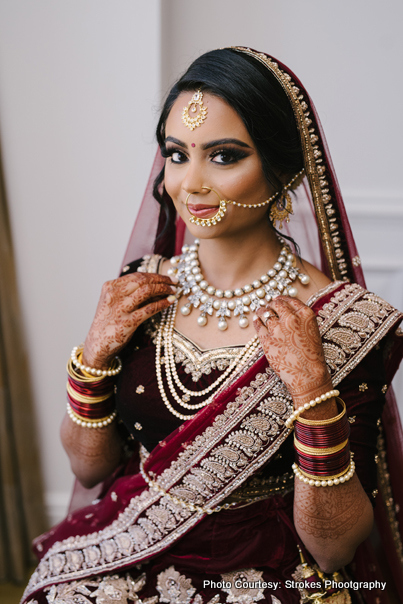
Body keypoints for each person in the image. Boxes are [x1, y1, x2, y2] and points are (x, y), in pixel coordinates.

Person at [22, 47, 403, 604]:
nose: (191, 183)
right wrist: (93, 358)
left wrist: (310, 390)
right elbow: (88, 466)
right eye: (177, 155)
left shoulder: (345, 324)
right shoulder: (143, 287)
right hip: (132, 543)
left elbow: (335, 550)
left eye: (224, 156)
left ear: (284, 168)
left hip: (270, 570)